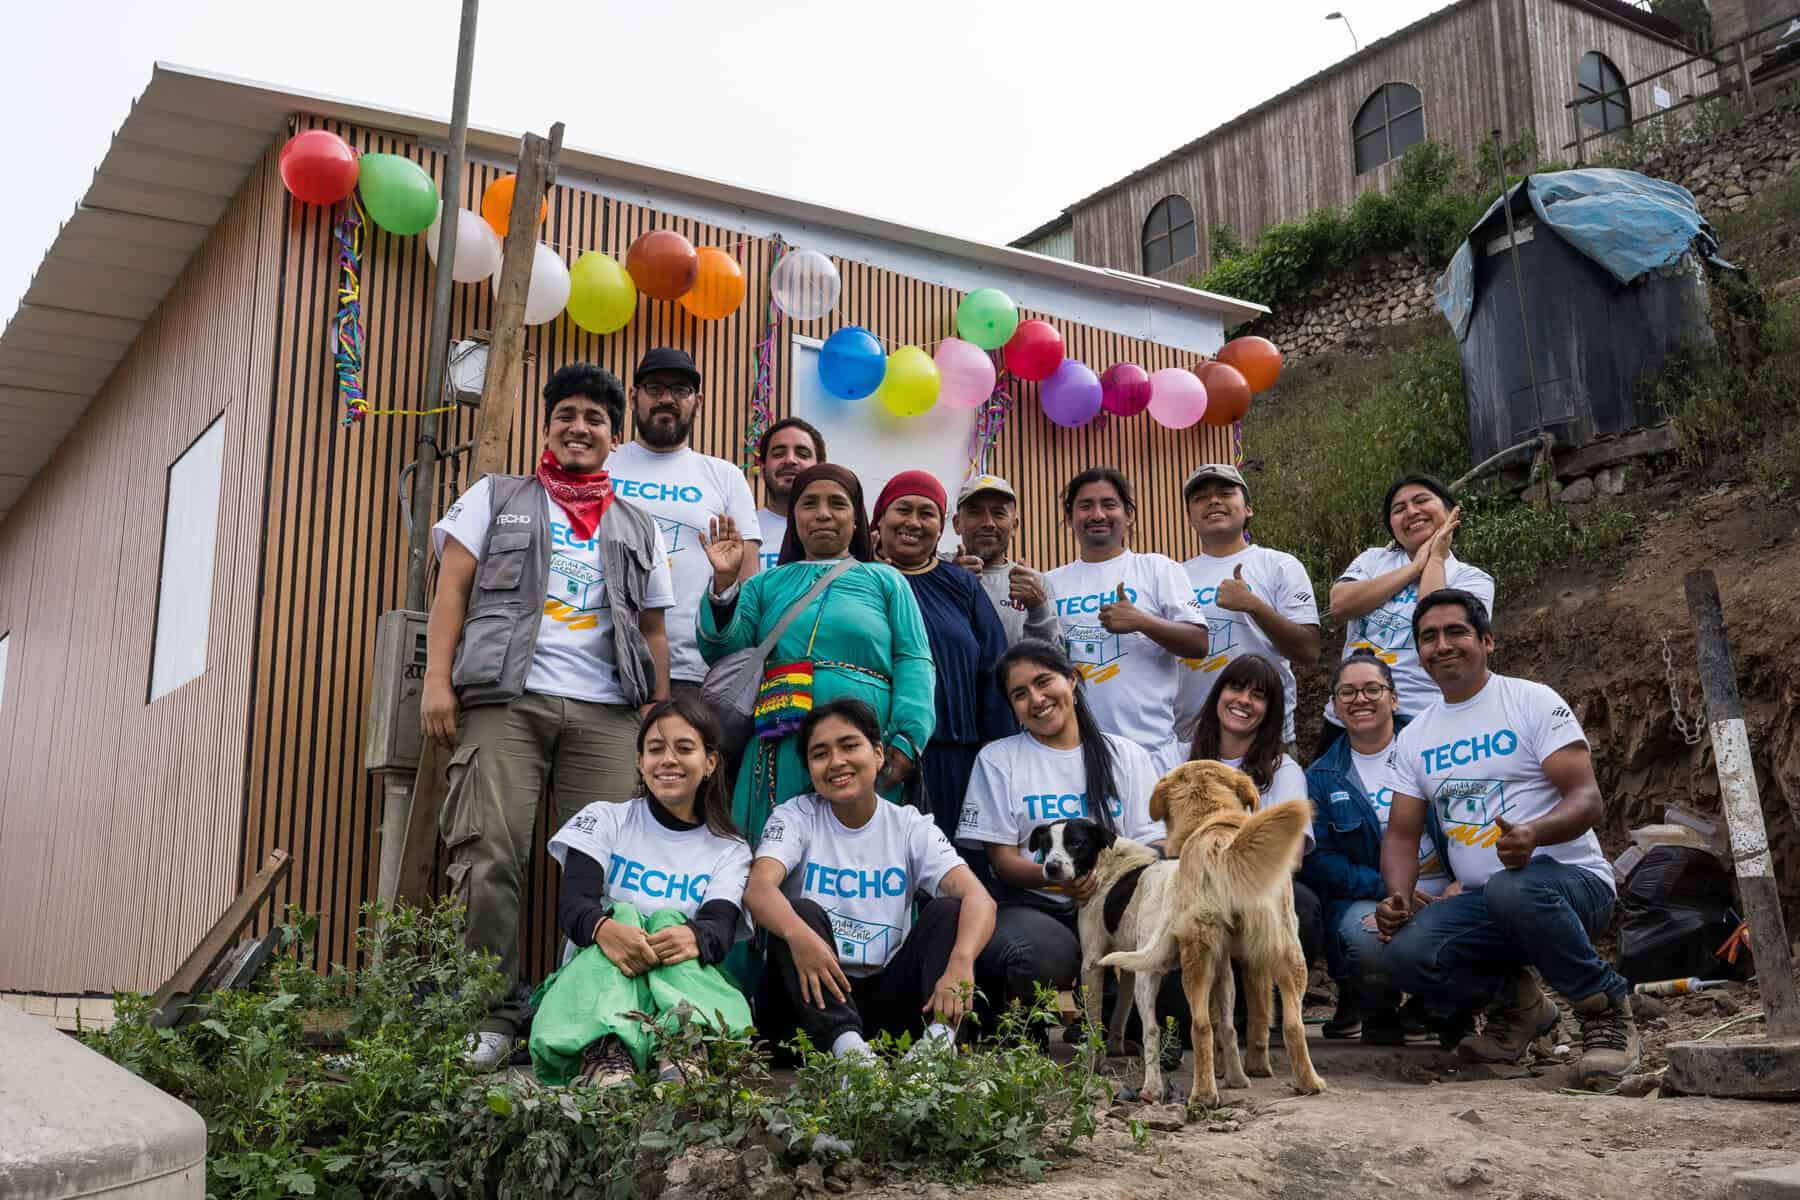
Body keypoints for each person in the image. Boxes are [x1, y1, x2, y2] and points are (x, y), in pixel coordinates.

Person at [422, 363, 675, 1070]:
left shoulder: (636, 524)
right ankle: (490, 1013)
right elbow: (451, 590)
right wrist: (437, 683)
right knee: (489, 852)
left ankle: (589, 1015)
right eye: (566, 415)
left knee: (606, 873)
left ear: (613, 438)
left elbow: (653, 630)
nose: (579, 428)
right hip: (507, 701)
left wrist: (653, 713)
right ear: (547, 426)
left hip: (607, 714)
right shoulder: (495, 497)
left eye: (595, 419)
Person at [1375, 589, 1639, 1085]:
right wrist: (1398, 895)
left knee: (1512, 886)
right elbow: (1401, 836)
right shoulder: (1415, 737)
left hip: (1570, 884)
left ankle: (1604, 1009)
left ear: (1487, 640)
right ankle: (1521, 1007)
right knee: (1405, 952)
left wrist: (1536, 833)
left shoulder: (1531, 701)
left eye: (1456, 631)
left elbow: (1587, 799)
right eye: (1429, 637)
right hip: (1487, 903)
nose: (1442, 644)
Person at [696, 463, 936, 846]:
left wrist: (908, 738)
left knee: (863, 856)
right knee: (776, 854)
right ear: (794, 518)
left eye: (837, 504)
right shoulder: (764, 584)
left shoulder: (886, 580)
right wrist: (726, 582)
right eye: (809, 504)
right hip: (780, 740)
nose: (823, 513)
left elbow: (913, 659)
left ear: (856, 519)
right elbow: (723, 651)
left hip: (867, 742)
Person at [747, 699, 997, 1059]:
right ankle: (849, 1054)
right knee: (798, 911)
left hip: (887, 1005)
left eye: (850, 746)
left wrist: (962, 960)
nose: (836, 762)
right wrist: (799, 936)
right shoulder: (795, 817)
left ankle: (937, 1048)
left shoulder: (910, 825)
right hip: (806, 1009)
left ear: (878, 754)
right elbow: (758, 888)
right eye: (820, 754)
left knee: (950, 910)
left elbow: (980, 898)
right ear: (810, 770)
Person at [528, 697, 753, 1086]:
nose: (668, 760)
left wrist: (691, 935)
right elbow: (574, 904)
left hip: (681, 984)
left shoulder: (730, 849)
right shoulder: (604, 818)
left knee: (672, 921)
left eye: (684, 748)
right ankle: (607, 1051)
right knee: (624, 915)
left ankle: (683, 1045)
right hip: (605, 978)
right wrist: (606, 930)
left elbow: (719, 928)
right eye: (655, 750)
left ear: (710, 763)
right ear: (639, 762)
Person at [957, 639, 1174, 1029]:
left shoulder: (1125, 755)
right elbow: (1003, 860)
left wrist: (1109, 879)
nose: (1036, 699)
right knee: (1030, 953)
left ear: (1072, 680)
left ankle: (1119, 1021)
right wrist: (1055, 876)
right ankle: (1022, 1031)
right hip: (1036, 904)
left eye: (1044, 682)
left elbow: (1157, 842)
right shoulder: (998, 759)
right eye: (1020, 694)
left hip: (1122, 901)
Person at [1299, 650, 1458, 1045]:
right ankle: (1377, 1009)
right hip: (1371, 893)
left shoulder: (1437, 748)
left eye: (1373, 689)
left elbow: (1472, 818)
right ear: (1335, 707)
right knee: (1365, 937)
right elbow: (1319, 861)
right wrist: (1388, 890)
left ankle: (1436, 1007)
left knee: (1475, 918)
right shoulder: (1320, 776)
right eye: (1347, 692)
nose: (1361, 699)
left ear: (1394, 697)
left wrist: (1466, 883)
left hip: (1447, 884)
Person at [606, 347, 764, 696]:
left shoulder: (725, 476)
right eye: (655, 388)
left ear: (699, 401)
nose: (667, 399)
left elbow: (749, 583)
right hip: (602, 666)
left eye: (680, 390)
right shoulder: (603, 466)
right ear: (633, 397)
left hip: (696, 673)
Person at [872, 470, 1015, 848]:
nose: (914, 522)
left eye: (927, 513)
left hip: (958, 759)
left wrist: (998, 750)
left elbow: (994, 667)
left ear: (941, 528)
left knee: (961, 876)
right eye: (903, 509)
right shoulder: (860, 580)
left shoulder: (962, 584)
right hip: (880, 759)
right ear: (879, 519)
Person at [1045, 468, 1209, 774]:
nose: (1097, 514)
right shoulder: (1051, 583)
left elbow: (1199, 643)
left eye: (1109, 504)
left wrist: (1142, 621)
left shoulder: (1158, 569)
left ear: (1128, 514)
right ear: (1070, 518)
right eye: (1085, 506)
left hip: (1151, 752)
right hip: (1078, 754)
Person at [1321, 473, 1495, 758]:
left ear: (1451, 510)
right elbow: (1341, 603)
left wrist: (1436, 559)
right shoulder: (1373, 560)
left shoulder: (1472, 580)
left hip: (1420, 714)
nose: (1411, 512)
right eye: (1399, 509)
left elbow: (1431, 623)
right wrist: (1413, 569)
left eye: (1421, 500)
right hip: (1350, 710)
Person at [1187, 654, 1322, 970]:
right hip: (1189, 894)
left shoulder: (1284, 771)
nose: (1244, 701)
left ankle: (1271, 1008)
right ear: (1218, 694)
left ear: (1269, 713)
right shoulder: (1181, 757)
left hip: (1254, 895)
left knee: (1302, 902)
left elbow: (1292, 857)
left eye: (1258, 695)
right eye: (1235, 688)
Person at [1173, 464, 1319, 755]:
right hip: (1189, 743)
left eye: (1226, 493)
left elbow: (1308, 651)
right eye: (1201, 498)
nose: (1214, 501)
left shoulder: (1279, 565)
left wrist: (1252, 605)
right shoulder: (1172, 576)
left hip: (1265, 740)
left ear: (1248, 509)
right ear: (1190, 517)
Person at [948, 473, 1061, 647]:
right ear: (957, 523)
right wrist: (947, 582)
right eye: (975, 513)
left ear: (1014, 526)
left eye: (999, 513)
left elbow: (1054, 659)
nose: (988, 523)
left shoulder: (1036, 584)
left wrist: (1038, 608)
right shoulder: (937, 571)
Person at [754, 416, 825, 573]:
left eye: (802, 454)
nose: (790, 460)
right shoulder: (743, 531)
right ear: (763, 466)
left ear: (820, 467)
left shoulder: (840, 533)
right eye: (778, 453)